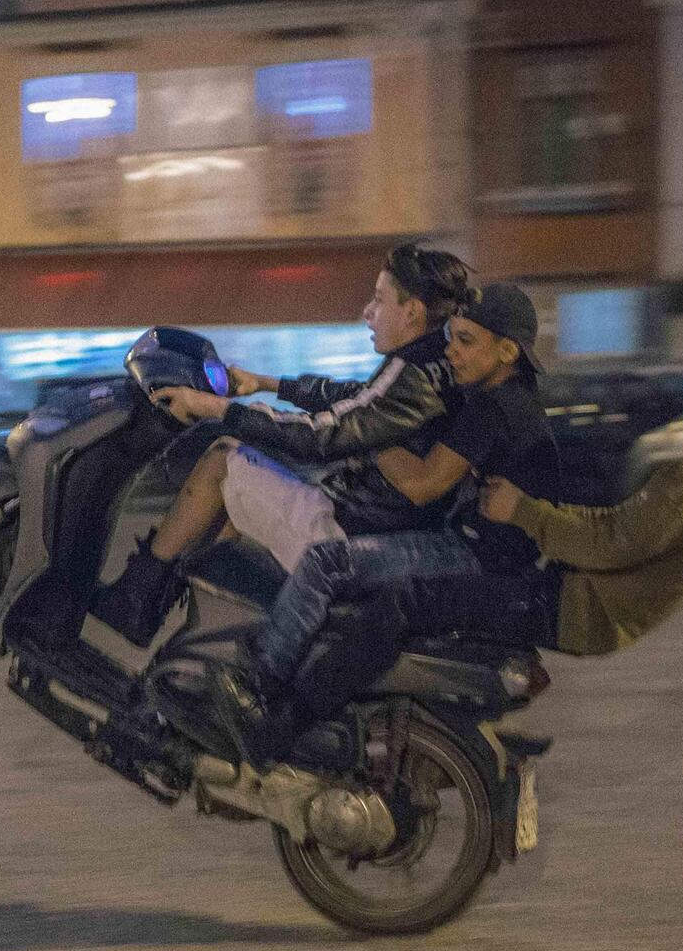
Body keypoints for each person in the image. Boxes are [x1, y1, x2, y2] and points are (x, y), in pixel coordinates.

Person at [210, 330, 683, 765]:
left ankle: (281, 725)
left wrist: (524, 511)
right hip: (575, 597)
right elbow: (616, 525)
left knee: (401, 602)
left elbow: (615, 542)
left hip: (570, 604)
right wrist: (536, 513)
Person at [88, 242, 472, 647]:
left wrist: (217, 408)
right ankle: (203, 631)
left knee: (223, 459)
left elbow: (320, 434)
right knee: (244, 485)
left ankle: (134, 602)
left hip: (349, 530)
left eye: (379, 299)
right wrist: (266, 383)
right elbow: (352, 396)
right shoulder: (435, 364)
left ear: (411, 311)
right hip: (375, 521)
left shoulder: (410, 372)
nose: (367, 312)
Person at [241, 282, 563, 695]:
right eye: (451, 338)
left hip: (477, 558)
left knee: (328, 563)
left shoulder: (496, 408)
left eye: (466, 341)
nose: (451, 352)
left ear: (507, 352)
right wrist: (274, 385)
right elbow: (359, 396)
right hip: (483, 550)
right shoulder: (503, 398)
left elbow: (423, 484)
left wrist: (369, 436)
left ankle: (261, 685)